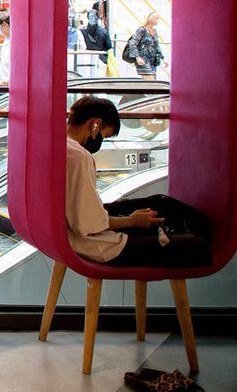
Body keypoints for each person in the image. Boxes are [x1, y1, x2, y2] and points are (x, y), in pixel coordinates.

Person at [64, 96, 209, 266]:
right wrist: (131, 221)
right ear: (95, 124)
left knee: (159, 203)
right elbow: (88, 224)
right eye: (104, 136)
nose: (100, 142)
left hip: (76, 230)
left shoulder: (60, 146)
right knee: (198, 246)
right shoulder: (80, 157)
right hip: (97, 245)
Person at [126, 11, 165, 80]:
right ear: (150, 19)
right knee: (149, 79)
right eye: (156, 18)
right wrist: (137, 57)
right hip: (143, 59)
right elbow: (133, 42)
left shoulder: (154, 31)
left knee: (149, 81)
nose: (157, 20)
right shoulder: (142, 30)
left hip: (152, 60)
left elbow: (156, 45)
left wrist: (163, 58)